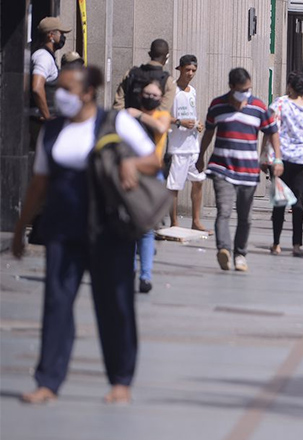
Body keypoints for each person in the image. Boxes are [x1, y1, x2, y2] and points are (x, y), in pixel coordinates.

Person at [12, 65, 159, 404]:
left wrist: (131, 164)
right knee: (56, 303)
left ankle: (121, 380)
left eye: (66, 89)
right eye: (57, 88)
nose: (58, 95)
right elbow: (39, 183)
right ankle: (48, 381)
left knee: (114, 303)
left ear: (88, 92)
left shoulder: (115, 122)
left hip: (109, 228)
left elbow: (152, 160)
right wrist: (21, 227)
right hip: (63, 227)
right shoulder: (52, 131)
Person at [197, 67, 281, 272]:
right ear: (231, 87)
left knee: (246, 217)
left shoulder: (259, 107)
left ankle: (240, 254)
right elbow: (209, 132)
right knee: (224, 211)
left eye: (249, 89)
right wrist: (200, 155)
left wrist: (277, 159)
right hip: (221, 168)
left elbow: (273, 132)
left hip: (248, 170)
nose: (246, 93)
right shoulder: (217, 105)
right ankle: (224, 249)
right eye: (243, 89)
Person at [264, 72, 303, 257]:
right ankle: (297, 245)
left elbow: (270, 130)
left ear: (290, 87)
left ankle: (276, 243)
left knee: (279, 203)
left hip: (281, 160)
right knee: (298, 204)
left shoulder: (280, 104)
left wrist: (264, 156)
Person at [125, 79, 171, 293]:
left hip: (153, 177)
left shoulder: (161, 115)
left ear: (161, 99)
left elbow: (161, 127)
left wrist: (139, 115)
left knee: (146, 230)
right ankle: (129, 271)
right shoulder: (127, 116)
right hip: (130, 174)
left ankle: (145, 276)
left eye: (154, 95)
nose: (150, 98)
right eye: (147, 94)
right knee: (128, 227)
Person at [166, 54, 209, 232]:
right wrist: (179, 122)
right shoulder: (171, 91)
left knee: (198, 181)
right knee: (174, 185)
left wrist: (198, 124)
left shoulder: (193, 91)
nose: (190, 73)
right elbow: (162, 115)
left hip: (193, 144)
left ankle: (196, 220)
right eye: (187, 70)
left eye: (193, 70)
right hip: (177, 145)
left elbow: (192, 113)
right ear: (180, 69)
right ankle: (174, 221)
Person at [30, 17, 72, 143]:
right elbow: (37, 88)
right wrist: (47, 117)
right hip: (39, 124)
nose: (63, 37)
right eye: (61, 33)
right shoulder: (43, 57)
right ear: (51, 35)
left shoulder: (48, 57)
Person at [113, 39, 176, 112]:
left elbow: (118, 105)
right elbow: (162, 111)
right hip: (152, 123)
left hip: (128, 120)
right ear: (167, 57)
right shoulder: (169, 82)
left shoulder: (130, 74)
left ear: (149, 54)